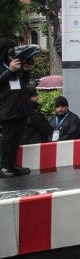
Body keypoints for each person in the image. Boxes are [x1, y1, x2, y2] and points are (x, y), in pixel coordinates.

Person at [0, 38, 33, 177]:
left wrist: (25, 70)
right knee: (8, 136)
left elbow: (24, 81)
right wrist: (10, 70)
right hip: (7, 107)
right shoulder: (3, 66)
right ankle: (4, 165)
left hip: (20, 106)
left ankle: (12, 163)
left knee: (17, 136)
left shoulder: (15, 64)